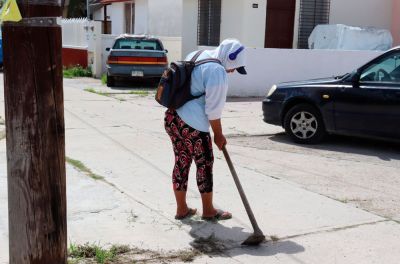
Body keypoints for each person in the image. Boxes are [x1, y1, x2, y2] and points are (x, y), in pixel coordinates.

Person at [164, 39, 247, 221]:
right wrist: (218, 134)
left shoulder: (197, 54)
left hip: (172, 118)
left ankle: (181, 209)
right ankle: (208, 211)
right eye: (234, 67)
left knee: (181, 161)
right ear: (229, 57)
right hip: (192, 125)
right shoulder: (217, 71)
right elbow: (213, 110)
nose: (232, 71)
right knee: (204, 164)